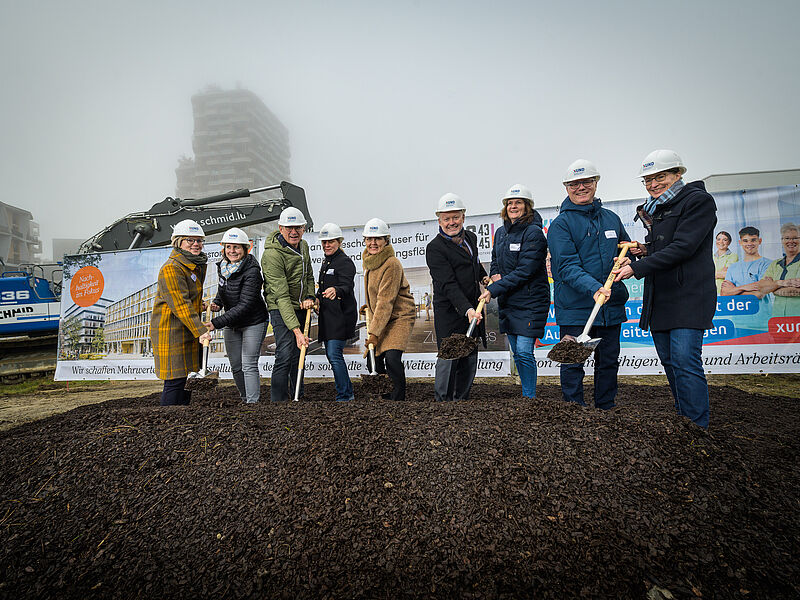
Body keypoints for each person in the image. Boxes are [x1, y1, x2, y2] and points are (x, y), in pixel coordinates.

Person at [613, 149, 717, 429]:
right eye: (647, 180)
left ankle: (698, 426)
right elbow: (666, 246)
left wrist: (636, 267)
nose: (653, 184)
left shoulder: (698, 202)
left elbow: (684, 247)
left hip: (689, 296)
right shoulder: (659, 207)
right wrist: (643, 250)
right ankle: (685, 421)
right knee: (671, 363)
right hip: (661, 297)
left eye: (660, 177)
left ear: (678, 174)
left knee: (685, 361)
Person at [548, 159, 631, 410]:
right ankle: (574, 410)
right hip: (576, 308)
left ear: (595, 183)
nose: (581, 187)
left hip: (611, 305)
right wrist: (594, 288)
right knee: (573, 362)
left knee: (608, 361)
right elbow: (566, 266)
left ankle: (606, 406)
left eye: (586, 182)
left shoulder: (611, 219)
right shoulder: (560, 225)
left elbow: (626, 248)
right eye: (574, 184)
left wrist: (630, 259)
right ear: (566, 187)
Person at [479, 184, 550, 399]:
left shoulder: (534, 233)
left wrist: (494, 288)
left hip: (531, 301)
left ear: (527, 206)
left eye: (518, 202)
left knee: (524, 352)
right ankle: (526, 392)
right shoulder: (500, 233)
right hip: (509, 300)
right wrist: (495, 274)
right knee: (517, 353)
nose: (513, 206)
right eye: (509, 203)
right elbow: (495, 260)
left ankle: (530, 397)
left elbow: (525, 271)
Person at [425, 193, 487, 402]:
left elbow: (474, 264)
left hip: (472, 307)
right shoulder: (435, 249)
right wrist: (467, 309)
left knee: (469, 354)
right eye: (446, 219)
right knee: (449, 356)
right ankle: (444, 401)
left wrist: (485, 278)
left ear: (463, 217)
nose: (451, 223)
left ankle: (462, 400)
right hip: (451, 311)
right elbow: (448, 284)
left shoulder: (471, 238)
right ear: (439, 220)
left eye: (455, 217)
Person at [204, 227, 268, 404]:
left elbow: (245, 304)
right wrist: (218, 302)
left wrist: (216, 323)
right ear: (223, 248)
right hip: (233, 323)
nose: (232, 251)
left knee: (248, 364)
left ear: (246, 249)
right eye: (229, 247)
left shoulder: (252, 271)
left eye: (237, 247)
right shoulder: (223, 267)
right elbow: (223, 289)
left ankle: (253, 404)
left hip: (253, 322)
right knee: (236, 366)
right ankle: (244, 398)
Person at [150, 219, 209, 406]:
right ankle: (167, 420)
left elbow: (186, 297)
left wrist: (201, 305)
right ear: (178, 242)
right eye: (190, 240)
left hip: (184, 329)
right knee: (174, 381)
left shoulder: (191, 264)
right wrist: (201, 330)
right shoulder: (172, 268)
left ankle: (181, 418)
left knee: (184, 380)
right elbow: (181, 304)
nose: (196, 244)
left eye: (199, 240)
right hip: (171, 331)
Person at [261, 207, 316, 402]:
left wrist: (309, 296)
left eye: (298, 228)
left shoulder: (304, 246)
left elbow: (309, 275)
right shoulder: (272, 255)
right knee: (285, 353)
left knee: (298, 354)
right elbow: (282, 296)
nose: (294, 232)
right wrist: (297, 332)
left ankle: (297, 396)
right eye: (289, 228)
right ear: (280, 228)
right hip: (279, 307)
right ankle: (278, 401)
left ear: (303, 228)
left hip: (300, 306)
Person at [362, 217, 416, 401]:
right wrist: (368, 306)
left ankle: (397, 400)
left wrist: (374, 334)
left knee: (392, 359)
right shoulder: (369, 262)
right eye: (369, 239)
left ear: (386, 240)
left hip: (399, 316)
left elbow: (386, 300)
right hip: (382, 316)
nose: (373, 243)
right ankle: (385, 398)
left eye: (377, 239)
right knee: (373, 360)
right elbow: (376, 295)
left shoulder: (391, 263)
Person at [316, 222, 357, 401]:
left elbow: (347, 286)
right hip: (327, 316)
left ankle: (345, 395)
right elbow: (322, 287)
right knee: (332, 355)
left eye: (330, 241)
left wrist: (337, 290)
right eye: (324, 242)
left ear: (339, 241)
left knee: (334, 354)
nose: (327, 245)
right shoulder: (326, 262)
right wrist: (315, 298)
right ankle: (347, 392)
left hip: (341, 316)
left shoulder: (345, 262)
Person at [720, 227, 773, 330]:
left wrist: (734, 290)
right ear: (740, 242)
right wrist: (747, 287)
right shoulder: (733, 267)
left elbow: (759, 294)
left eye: (753, 240)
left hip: (761, 324)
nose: (749, 244)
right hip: (737, 323)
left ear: (759, 241)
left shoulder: (767, 265)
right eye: (745, 241)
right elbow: (724, 294)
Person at [755, 223, 800, 317]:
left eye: (795, 238)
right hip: (778, 321)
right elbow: (762, 287)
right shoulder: (775, 264)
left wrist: (774, 289)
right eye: (787, 238)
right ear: (782, 240)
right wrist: (781, 283)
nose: (791, 241)